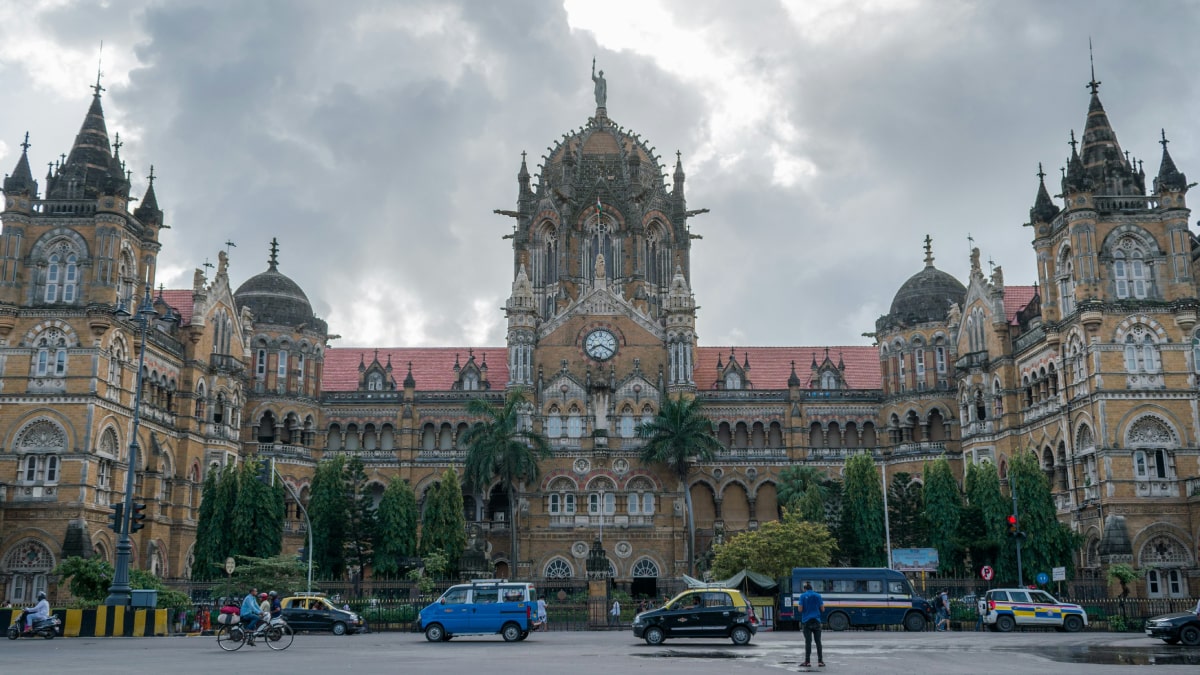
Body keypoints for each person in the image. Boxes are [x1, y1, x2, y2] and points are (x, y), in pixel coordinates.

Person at [799, 582, 824, 668]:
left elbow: (800, 609)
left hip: (806, 621)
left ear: (805, 589)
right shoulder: (818, 596)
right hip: (816, 621)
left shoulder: (802, 596)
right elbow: (822, 609)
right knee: (818, 642)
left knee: (808, 642)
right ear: (811, 588)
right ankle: (820, 661)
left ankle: (807, 661)